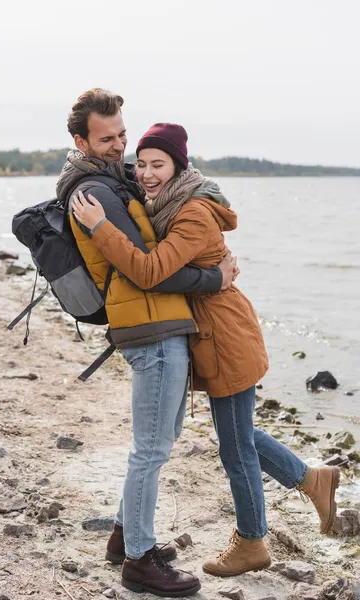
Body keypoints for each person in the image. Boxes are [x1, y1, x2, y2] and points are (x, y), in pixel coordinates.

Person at [72, 122, 341, 582]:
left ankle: (253, 541)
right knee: (238, 435)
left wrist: (100, 228)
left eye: (159, 164)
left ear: (180, 165)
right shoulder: (165, 203)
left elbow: (151, 269)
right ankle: (311, 479)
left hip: (226, 336)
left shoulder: (192, 211)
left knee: (236, 445)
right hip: (209, 336)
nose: (148, 173)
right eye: (144, 164)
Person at [57, 89, 238, 597]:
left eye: (121, 135)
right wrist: (213, 280)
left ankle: (125, 535)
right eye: (105, 138)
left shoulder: (111, 182)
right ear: (81, 140)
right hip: (151, 327)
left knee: (158, 442)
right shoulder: (97, 193)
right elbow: (150, 271)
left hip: (155, 325)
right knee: (151, 450)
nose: (119, 147)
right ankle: (138, 561)